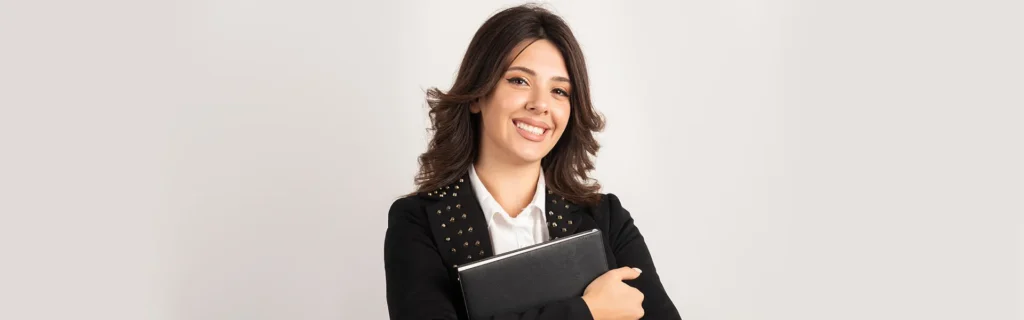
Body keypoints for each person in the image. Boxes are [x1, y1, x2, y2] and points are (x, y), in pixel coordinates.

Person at [384, 4, 681, 320]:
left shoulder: (606, 218)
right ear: (476, 95)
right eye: (519, 81)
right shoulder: (418, 222)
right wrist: (587, 310)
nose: (541, 104)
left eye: (559, 90)